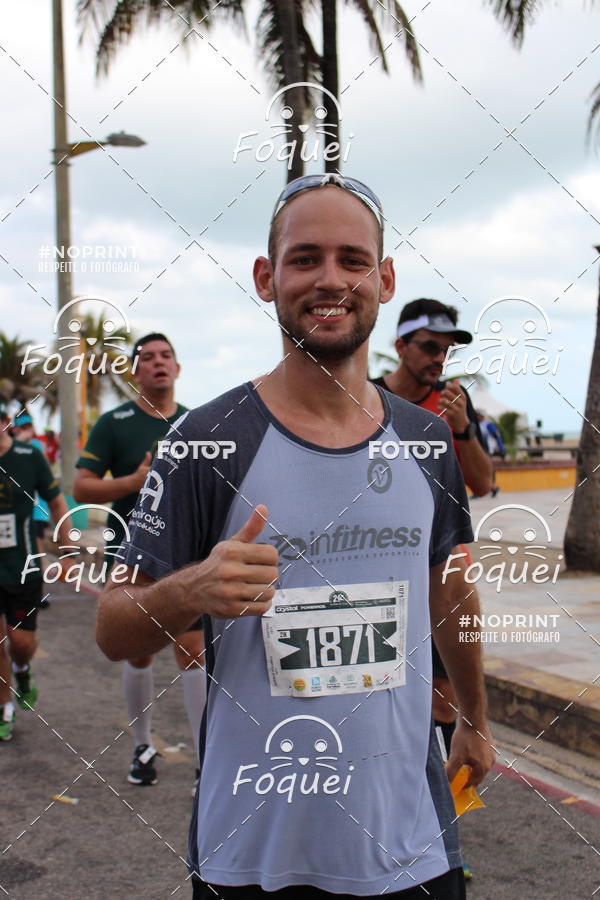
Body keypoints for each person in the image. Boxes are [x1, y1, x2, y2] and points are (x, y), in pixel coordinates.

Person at [96, 173, 495, 899]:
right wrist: (192, 588)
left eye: (352, 259)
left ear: (384, 276)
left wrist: (474, 717)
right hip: (252, 853)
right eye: (305, 258)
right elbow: (115, 630)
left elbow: (448, 585)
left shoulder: (426, 440)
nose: (330, 280)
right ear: (265, 277)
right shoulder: (205, 440)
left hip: (410, 848)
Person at [371, 299, 492, 881]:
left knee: (446, 707)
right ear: (400, 346)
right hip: (381, 586)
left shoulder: (450, 410)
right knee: (387, 710)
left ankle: (447, 845)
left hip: (442, 585)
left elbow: (485, 481)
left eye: (446, 350)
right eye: (428, 347)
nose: (438, 359)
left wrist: (462, 426)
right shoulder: (363, 400)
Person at [73, 334, 205, 789]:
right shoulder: (115, 423)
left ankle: (205, 761)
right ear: (136, 373)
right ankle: (142, 745)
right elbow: (82, 489)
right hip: (135, 554)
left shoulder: (198, 422)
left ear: (178, 367)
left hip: (189, 554)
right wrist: (132, 480)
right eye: (146, 358)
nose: (158, 363)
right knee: (141, 650)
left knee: (193, 651)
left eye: (166, 355)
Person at [0, 403, 73, 741]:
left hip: (23, 567)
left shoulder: (29, 456)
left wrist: (69, 552)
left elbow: (57, 503)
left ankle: (22, 668)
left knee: (21, 641)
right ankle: (4, 706)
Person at [11, 413, 51, 600]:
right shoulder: (8, 448)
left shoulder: (36, 446)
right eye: (23, 427)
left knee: (36, 548)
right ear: (15, 428)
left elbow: (43, 470)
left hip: (37, 510)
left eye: (29, 426)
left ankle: (38, 592)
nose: (28, 430)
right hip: (16, 511)